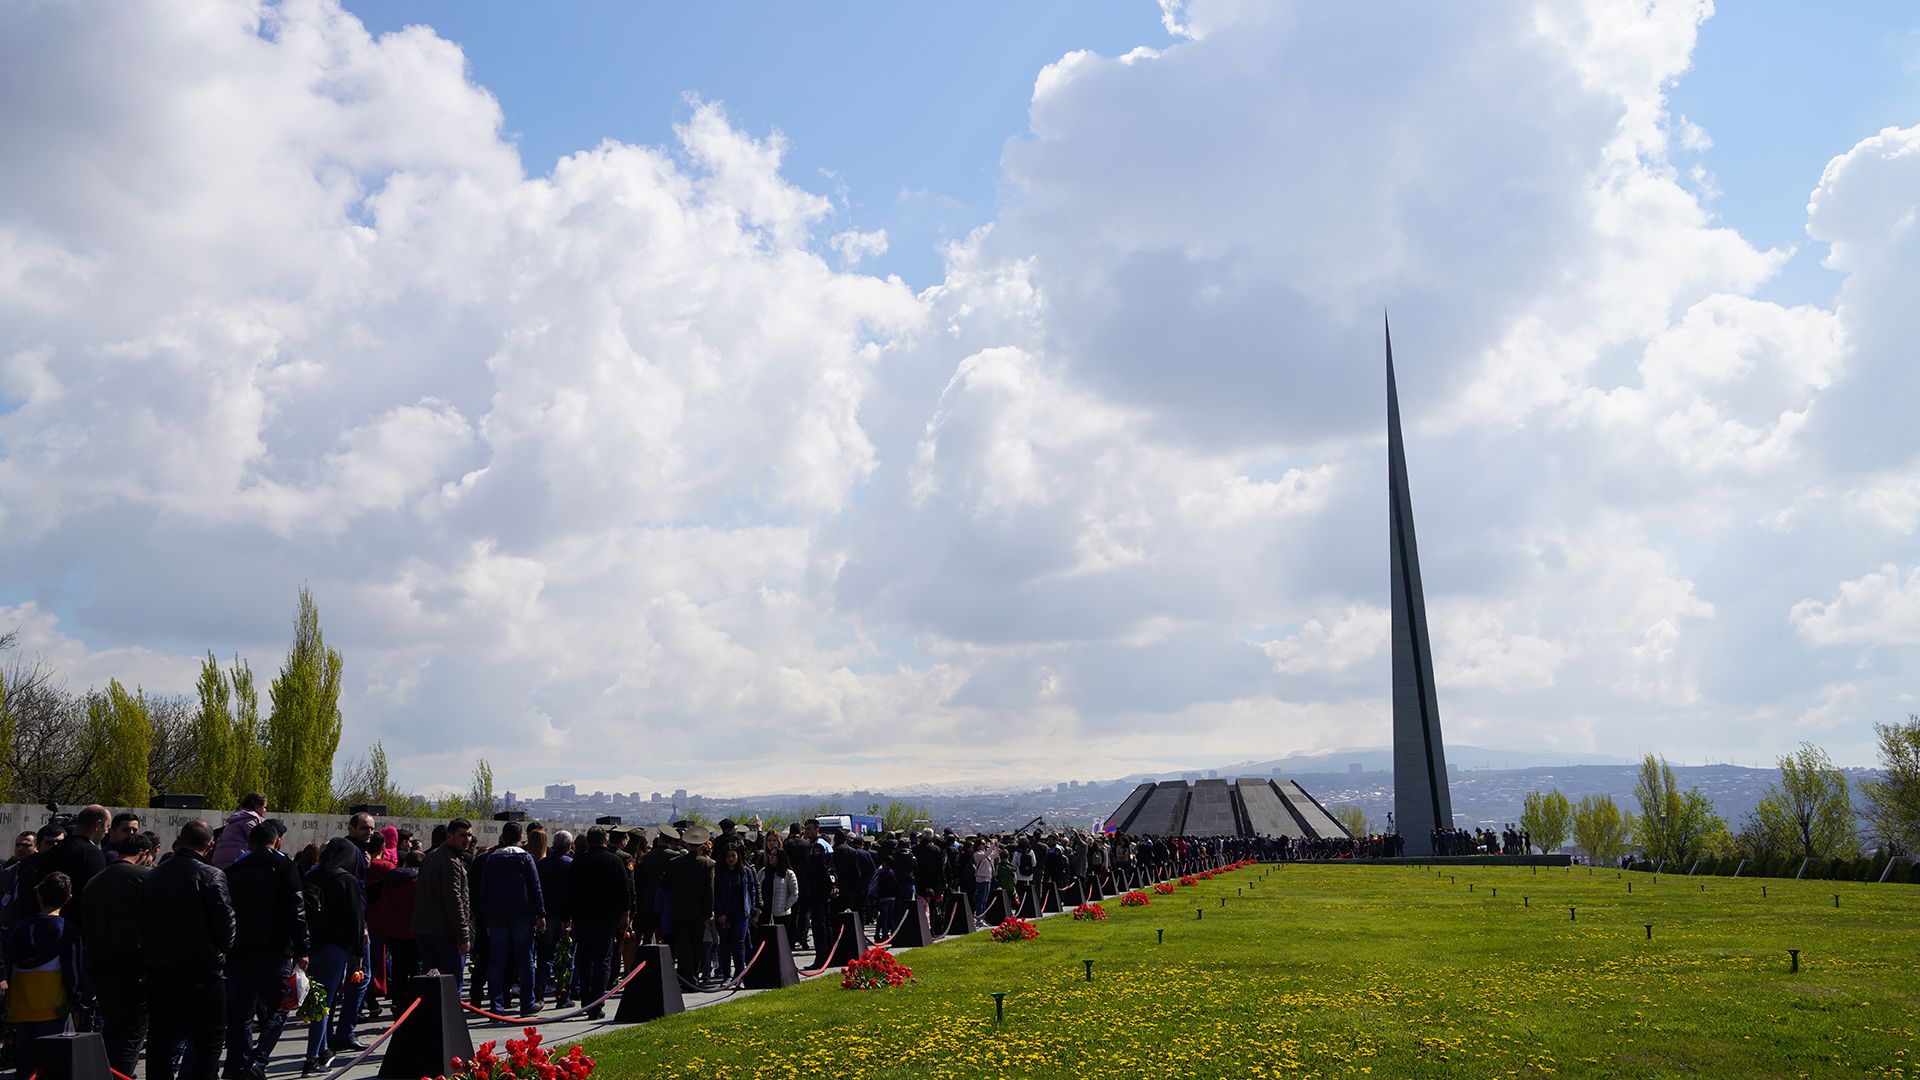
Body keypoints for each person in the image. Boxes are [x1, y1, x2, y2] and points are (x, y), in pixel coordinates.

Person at [143, 820, 236, 1080]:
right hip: (202, 971)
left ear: (180, 840)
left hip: (160, 970)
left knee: (161, 1040)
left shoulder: (153, 876)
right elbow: (226, 928)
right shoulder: (212, 875)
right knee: (208, 1041)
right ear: (210, 845)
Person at [224, 820, 307, 1080]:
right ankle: (259, 1059)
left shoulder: (234, 869)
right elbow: (297, 909)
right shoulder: (285, 865)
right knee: (280, 1007)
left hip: (242, 949)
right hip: (276, 948)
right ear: (277, 841)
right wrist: (303, 947)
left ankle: (239, 1063)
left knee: (243, 1011)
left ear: (249, 843)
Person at [83, 832, 155, 1076]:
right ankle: (121, 1074)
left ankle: (107, 1072)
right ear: (144, 854)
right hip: (134, 966)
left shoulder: (95, 881)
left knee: (113, 1028)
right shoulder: (146, 878)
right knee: (132, 1032)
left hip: (100, 965)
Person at [6, 872, 81, 1080]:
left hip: (21, 1005)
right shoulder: (68, 930)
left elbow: (9, 962)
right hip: (53, 1005)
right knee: (50, 1065)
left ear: (39, 896)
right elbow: (72, 970)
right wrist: (76, 1002)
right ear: (68, 898)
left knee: (25, 1064)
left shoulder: (20, 928)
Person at [300, 838, 365, 1076]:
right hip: (336, 947)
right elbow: (355, 919)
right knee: (324, 1003)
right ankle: (312, 1058)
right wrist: (358, 951)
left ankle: (323, 1048)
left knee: (316, 998)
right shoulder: (347, 880)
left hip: (311, 945)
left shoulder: (311, 875)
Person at [480, 821, 545, 1017]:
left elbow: (485, 890)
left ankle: (496, 1005)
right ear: (520, 838)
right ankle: (527, 1003)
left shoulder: (492, 858)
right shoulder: (525, 858)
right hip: (522, 916)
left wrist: (487, 919)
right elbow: (535, 887)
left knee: (497, 962)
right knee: (525, 961)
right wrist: (540, 913)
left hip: (498, 917)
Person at [566, 827, 631, 1019]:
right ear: (605, 840)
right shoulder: (615, 860)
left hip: (582, 918)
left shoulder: (579, 861)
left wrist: (566, 916)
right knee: (603, 961)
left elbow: (569, 891)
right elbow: (624, 890)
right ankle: (597, 1001)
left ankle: (587, 1000)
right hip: (607, 918)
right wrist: (625, 915)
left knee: (584, 960)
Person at [412, 819, 473, 997]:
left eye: (469, 835)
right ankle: (450, 1022)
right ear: (449, 836)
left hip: (427, 930)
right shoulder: (450, 862)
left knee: (432, 984)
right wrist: (463, 935)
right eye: (462, 835)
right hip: (445, 933)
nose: (467, 839)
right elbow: (454, 901)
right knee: (451, 985)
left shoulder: (432, 856)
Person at [365, 849, 421, 1017]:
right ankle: (413, 1003)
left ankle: (397, 1001)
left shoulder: (390, 879)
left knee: (398, 967)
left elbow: (370, 894)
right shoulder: (420, 881)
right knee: (416, 969)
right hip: (415, 931)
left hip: (393, 931)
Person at [664, 828, 714, 987]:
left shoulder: (674, 863)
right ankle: (693, 977)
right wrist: (708, 912)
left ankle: (684, 978)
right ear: (701, 846)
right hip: (698, 913)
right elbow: (709, 891)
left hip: (679, 911)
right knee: (696, 947)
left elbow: (665, 883)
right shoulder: (707, 864)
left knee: (683, 947)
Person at [534, 830, 573, 1009]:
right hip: (566, 916)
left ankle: (540, 989)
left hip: (547, 915)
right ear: (569, 846)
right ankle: (563, 996)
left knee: (545, 955)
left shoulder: (542, 865)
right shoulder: (572, 865)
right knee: (565, 958)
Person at [711, 845, 752, 984]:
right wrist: (720, 913)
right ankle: (726, 974)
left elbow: (751, 890)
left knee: (739, 944)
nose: (731, 859)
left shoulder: (746, 872)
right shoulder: (720, 873)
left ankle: (739, 976)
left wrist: (753, 909)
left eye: (733, 856)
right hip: (724, 913)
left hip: (741, 913)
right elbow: (715, 895)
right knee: (725, 944)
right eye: (728, 856)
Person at [210, 793, 269, 871]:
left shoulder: (238, 817)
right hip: (235, 860)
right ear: (257, 807)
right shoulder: (251, 819)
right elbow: (258, 842)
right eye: (264, 807)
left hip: (219, 859)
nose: (265, 810)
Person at [759, 846, 798, 939]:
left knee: (780, 941)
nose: (771, 857)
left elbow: (794, 894)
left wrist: (785, 906)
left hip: (782, 915)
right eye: (770, 854)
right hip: (765, 913)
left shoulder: (788, 874)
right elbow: (757, 889)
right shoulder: (763, 872)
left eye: (774, 855)